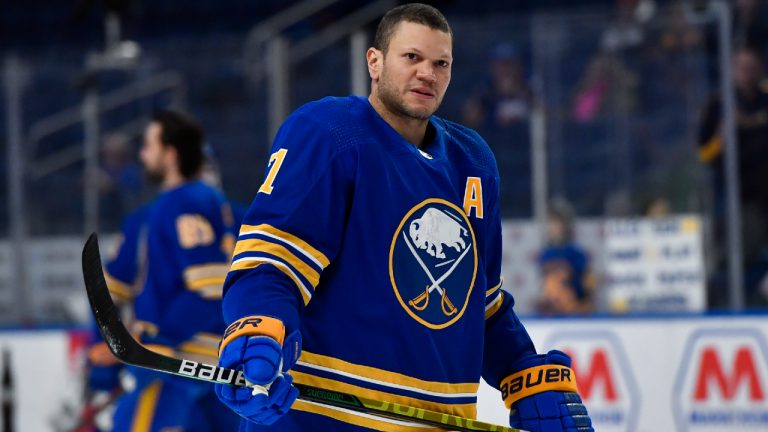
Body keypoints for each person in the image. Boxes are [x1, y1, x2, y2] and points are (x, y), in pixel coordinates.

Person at [215, 4, 593, 432]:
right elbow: (271, 264)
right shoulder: (329, 135)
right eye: (412, 57)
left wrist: (524, 371)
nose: (427, 73)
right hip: (324, 420)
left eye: (440, 63)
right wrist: (258, 333)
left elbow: (481, 305)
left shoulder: (474, 163)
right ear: (374, 62)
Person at [109, 110, 240, 431]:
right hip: (224, 363)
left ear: (171, 154)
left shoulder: (180, 203)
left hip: (175, 363)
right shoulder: (234, 212)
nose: (142, 156)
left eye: (148, 146)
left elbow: (211, 287)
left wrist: (156, 336)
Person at [698, 47, 768, 307]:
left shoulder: (764, 99)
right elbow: (704, 153)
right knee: (734, 255)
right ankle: (731, 302)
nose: (747, 74)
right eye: (742, 68)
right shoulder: (719, 104)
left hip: (764, 191)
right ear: (731, 71)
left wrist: (749, 122)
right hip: (735, 194)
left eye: (751, 68)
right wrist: (724, 132)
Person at [536, 198, 595, 316]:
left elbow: (587, 285)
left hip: (574, 309)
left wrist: (583, 305)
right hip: (552, 311)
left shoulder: (576, 253)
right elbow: (545, 285)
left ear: (565, 225)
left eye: (556, 223)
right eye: (550, 222)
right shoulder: (545, 254)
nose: (552, 227)